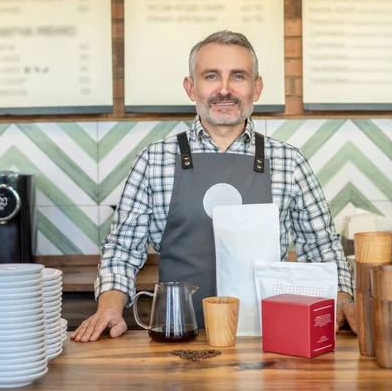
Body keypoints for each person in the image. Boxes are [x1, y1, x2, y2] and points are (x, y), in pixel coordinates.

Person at [71, 30, 356, 342]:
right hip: (178, 335)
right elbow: (123, 249)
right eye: (211, 76)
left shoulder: (289, 161)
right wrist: (109, 307)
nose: (224, 89)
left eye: (238, 76)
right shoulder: (154, 159)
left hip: (269, 337)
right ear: (191, 87)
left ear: (256, 88)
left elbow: (321, 246)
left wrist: (343, 300)